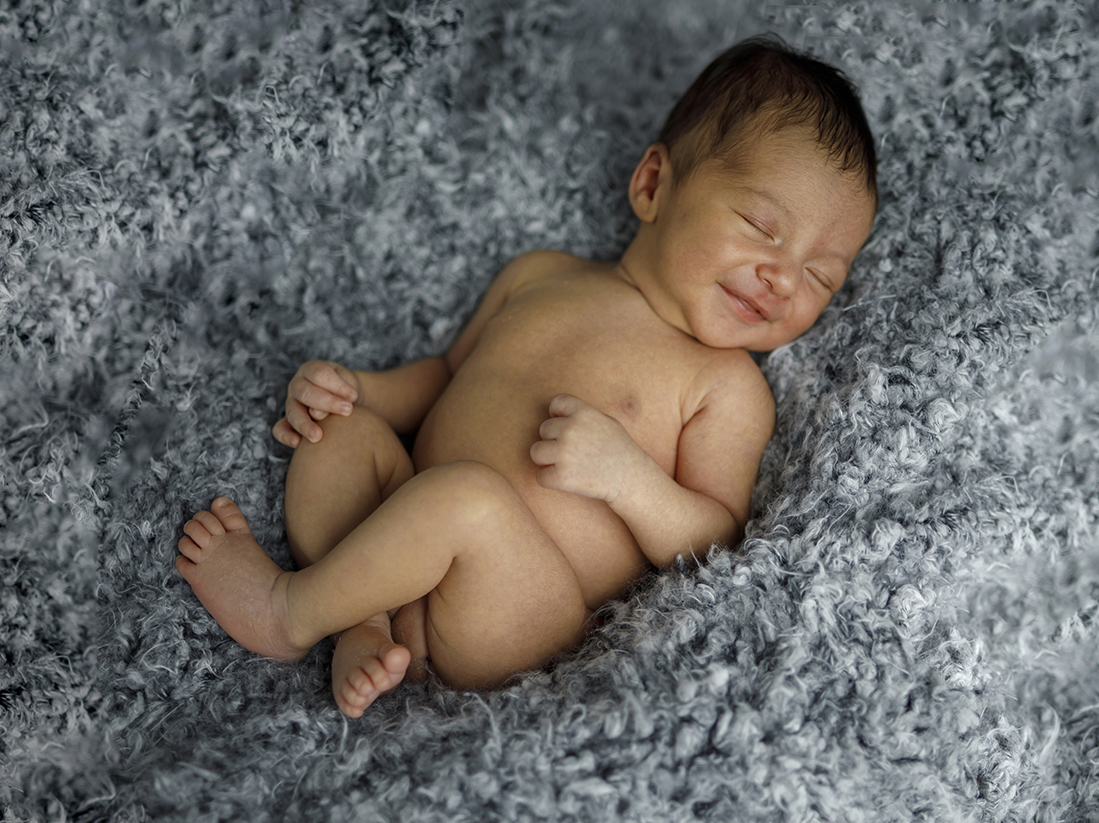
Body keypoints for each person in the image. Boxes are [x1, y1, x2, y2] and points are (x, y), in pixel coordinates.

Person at [175, 34, 878, 718]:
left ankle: (289, 612)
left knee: (468, 501)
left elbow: (716, 543)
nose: (784, 279)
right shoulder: (542, 276)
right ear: (653, 185)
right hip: (406, 532)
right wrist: (357, 390)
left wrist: (629, 480)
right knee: (337, 432)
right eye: (761, 226)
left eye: (821, 276)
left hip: (514, 615)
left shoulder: (726, 386)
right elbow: (446, 377)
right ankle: (364, 623)